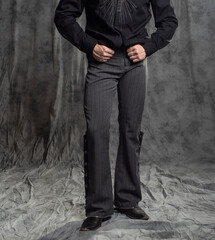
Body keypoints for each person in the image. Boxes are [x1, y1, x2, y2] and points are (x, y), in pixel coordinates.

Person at [54, 0, 178, 231]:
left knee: (130, 130)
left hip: (135, 63)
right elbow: (64, 16)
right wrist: (90, 45)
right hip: (101, 63)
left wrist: (148, 47)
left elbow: (169, 21)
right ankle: (98, 208)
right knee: (96, 131)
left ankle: (128, 199)